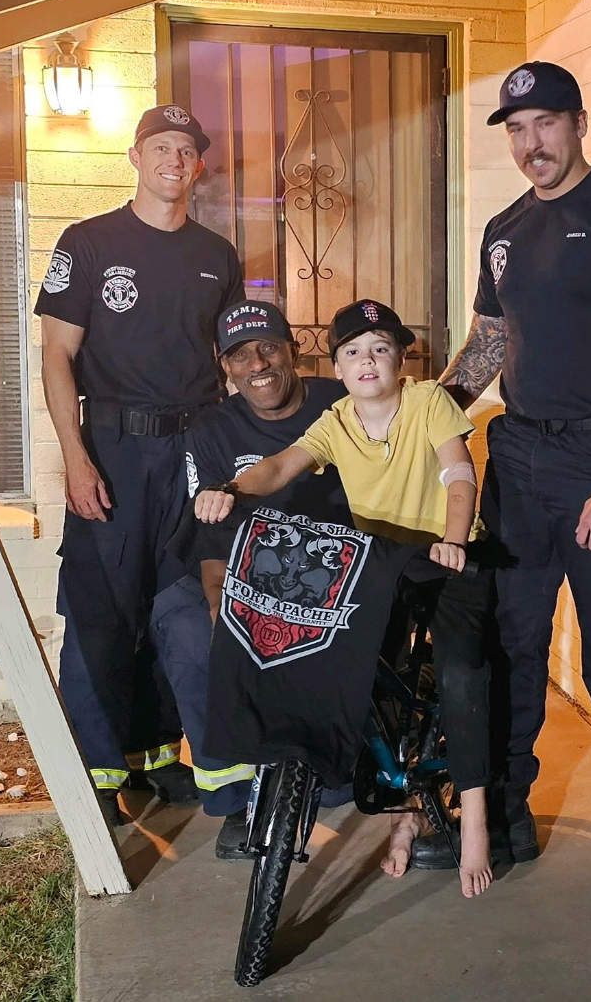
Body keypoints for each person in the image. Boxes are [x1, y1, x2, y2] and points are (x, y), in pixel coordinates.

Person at [438, 60, 591, 885]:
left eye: (545, 123)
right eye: (516, 129)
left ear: (579, 123)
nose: (530, 143)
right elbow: (488, 345)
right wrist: (421, 421)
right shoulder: (504, 228)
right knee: (513, 641)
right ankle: (506, 808)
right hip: (517, 455)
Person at [195, 299, 498, 897]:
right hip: (382, 563)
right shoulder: (335, 421)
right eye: (353, 351)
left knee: (462, 673)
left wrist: (454, 538)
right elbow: (280, 466)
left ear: (400, 359)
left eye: (380, 349)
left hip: (447, 557)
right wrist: (228, 489)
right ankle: (402, 810)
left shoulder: (427, 402)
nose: (368, 361)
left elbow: (457, 473)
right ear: (337, 367)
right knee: (351, 662)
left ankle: (476, 822)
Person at [35, 103, 245, 828]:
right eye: (161, 147)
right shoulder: (88, 242)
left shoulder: (217, 254)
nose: (173, 160)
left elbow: (231, 361)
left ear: (199, 165)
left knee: (176, 601)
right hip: (114, 449)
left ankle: (157, 754)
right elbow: (56, 354)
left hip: (192, 448)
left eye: (186, 149)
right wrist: (75, 455)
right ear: (134, 156)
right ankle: (98, 770)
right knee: (100, 608)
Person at [154, 299, 355, 858]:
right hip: (239, 569)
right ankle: (235, 796)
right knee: (189, 632)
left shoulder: (341, 402)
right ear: (225, 367)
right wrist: (225, 616)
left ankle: (317, 756)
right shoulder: (211, 429)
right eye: (240, 355)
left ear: (294, 349)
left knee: (338, 792)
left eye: (268, 347)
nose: (258, 364)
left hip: (331, 573)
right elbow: (211, 539)